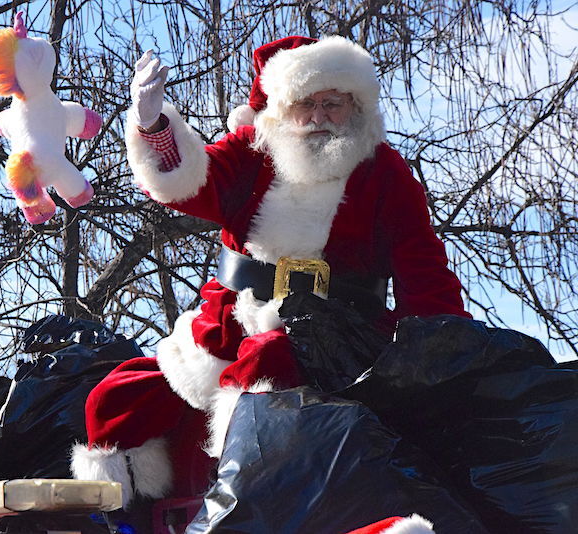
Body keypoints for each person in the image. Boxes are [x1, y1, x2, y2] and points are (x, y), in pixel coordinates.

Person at [70, 35, 471, 509]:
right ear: (283, 109)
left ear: (355, 107)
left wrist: (445, 348)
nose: (318, 117)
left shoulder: (384, 171)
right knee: (116, 400)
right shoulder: (253, 151)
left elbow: (423, 269)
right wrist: (153, 124)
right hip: (228, 324)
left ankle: (238, 506)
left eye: (332, 104)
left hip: (336, 337)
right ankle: (129, 517)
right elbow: (192, 184)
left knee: (267, 367)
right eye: (305, 104)